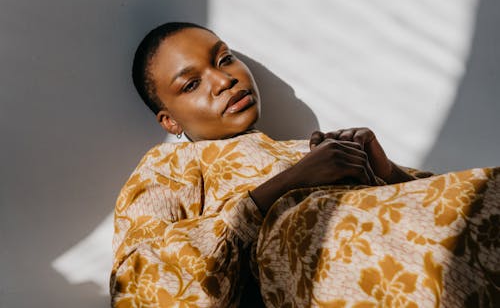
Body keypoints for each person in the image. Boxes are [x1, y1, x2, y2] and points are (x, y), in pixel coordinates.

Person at [110, 22, 499, 307]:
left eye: (224, 59)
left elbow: (440, 208)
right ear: (170, 121)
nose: (223, 80)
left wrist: (385, 172)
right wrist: (281, 189)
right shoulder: (168, 164)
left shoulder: (303, 148)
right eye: (191, 84)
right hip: (321, 261)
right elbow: (140, 287)